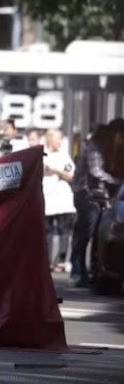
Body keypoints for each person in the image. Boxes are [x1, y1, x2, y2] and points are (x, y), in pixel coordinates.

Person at [69, 121, 124, 287]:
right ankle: (77, 271)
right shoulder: (95, 147)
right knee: (85, 232)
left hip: (97, 196)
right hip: (86, 194)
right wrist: (116, 181)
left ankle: (91, 271)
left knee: (95, 233)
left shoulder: (104, 148)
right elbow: (96, 171)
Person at [42, 129, 76, 271]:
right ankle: (47, 261)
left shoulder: (64, 156)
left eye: (61, 138)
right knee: (47, 230)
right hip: (47, 197)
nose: (60, 141)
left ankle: (61, 261)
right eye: (57, 138)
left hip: (63, 199)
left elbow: (71, 175)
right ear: (49, 139)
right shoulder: (42, 154)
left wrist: (56, 170)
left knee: (64, 230)